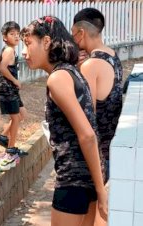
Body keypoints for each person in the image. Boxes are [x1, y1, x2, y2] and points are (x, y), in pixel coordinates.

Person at [20, 16, 107, 226]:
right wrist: (98, 184)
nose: (24, 52)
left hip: (73, 181)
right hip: (86, 178)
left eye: (28, 43)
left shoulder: (58, 78)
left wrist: (100, 190)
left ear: (47, 42)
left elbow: (87, 134)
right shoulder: (72, 72)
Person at [72, 8, 123, 183]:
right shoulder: (112, 55)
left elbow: (87, 115)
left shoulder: (90, 65)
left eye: (73, 34)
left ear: (81, 32)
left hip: (98, 154)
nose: (73, 39)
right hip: (112, 146)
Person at [0, 21, 28, 157]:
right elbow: (1, 67)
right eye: (12, 34)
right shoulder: (8, 50)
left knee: (22, 115)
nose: (16, 36)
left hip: (11, 90)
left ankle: (3, 136)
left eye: (18, 34)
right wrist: (14, 80)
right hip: (7, 90)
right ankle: (11, 148)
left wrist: (5, 78)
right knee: (15, 118)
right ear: (5, 37)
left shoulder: (8, 50)